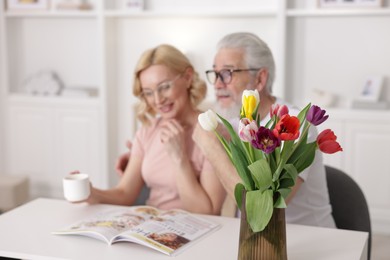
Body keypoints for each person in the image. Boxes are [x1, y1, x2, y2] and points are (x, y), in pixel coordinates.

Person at [192, 32, 336, 228]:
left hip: (312, 240)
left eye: (227, 73)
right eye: (215, 74)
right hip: (254, 240)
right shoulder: (231, 124)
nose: (217, 84)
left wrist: (211, 145)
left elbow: (262, 210)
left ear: (260, 79)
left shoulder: (294, 124)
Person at [73, 44, 226, 215]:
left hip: (196, 232)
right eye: (148, 92)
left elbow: (208, 212)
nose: (158, 100)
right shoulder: (148, 131)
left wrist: (179, 158)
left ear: (188, 77)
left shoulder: (212, 132)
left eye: (165, 87)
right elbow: (125, 194)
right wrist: (92, 193)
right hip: (151, 228)